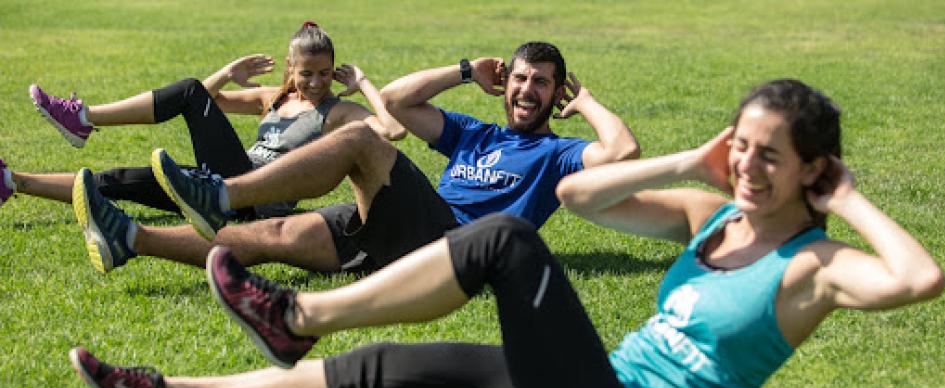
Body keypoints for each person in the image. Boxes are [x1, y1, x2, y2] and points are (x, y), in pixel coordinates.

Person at [73, 79, 941, 388]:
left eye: (770, 157)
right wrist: (692, 159)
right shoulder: (711, 216)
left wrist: (849, 198)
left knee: (507, 243)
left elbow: (920, 277)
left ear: (812, 170)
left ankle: (297, 312)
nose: (748, 167)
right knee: (372, 372)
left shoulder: (814, 269)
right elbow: (578, 192)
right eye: (740, 146)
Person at [84, 41, 638, 275]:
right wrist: (468, 71)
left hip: (451, 239)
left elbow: (623, 152)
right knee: (274, 236)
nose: (526, 90)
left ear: (555, 92)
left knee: (360, 143)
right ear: (505, 82)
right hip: (399, 230)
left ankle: (222, 194)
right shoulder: (473, 133)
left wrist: (585, 101)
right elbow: (398, 100)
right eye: (519, 78)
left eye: (542, 84)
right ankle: (130, 240)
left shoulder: (555, 154)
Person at [0, 22, 405, 272]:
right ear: (289, 68)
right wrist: (227, 73)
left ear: (334, 70)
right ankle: (11, 181)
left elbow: (391, 130)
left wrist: (364, 84)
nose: (316, 83)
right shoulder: (274, 98)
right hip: (217, 184)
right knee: (115, 180)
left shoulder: (338, 111)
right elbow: (201, 102)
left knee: (191, 90)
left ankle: (83, 119)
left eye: (323, 74)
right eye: (306, 74)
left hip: (254, 196)